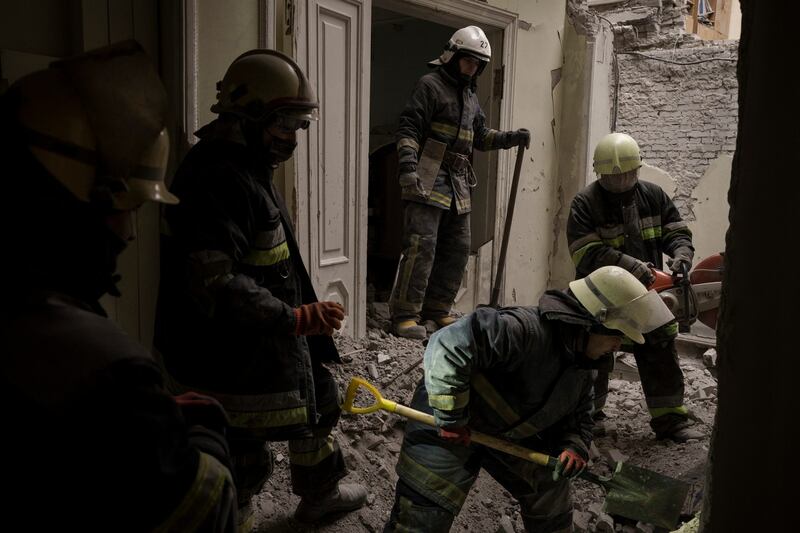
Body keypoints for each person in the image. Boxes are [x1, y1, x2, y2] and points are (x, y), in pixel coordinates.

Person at [0, 41, 238, 530]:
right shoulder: (98, 361)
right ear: (83, 197)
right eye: (124, 206)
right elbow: (203, 510)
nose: (129, 233)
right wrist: (198, 434)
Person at [154, 49, 367, 527]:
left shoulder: (248, 166)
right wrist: (291, 317)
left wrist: (304, 312)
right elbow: (215, 281)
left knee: (321, 397)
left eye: (298, 126)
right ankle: (238, 515)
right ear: (248, 115)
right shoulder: (218, 177)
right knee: (243, 450)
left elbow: (267, 260)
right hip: (227, 353)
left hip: (264, 332)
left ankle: (319, 493)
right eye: (283, 125)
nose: (291, 139)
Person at [384, 266, 675, 533]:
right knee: (423, 513)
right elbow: (447, 345)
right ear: (590, 323)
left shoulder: (582, 370)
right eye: (616, 336)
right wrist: (452, 418)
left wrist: (573, 447)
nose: (617, 346)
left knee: (551, 487)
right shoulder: (523, 329)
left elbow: (580, 420)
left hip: (507, 433)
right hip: (445, 423)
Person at [389, 25, 531, 339]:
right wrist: (409, 170)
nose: (473, 68)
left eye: (478, 64)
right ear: (453, 56)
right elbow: (409, 130)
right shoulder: (430, 85)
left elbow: (480, 137)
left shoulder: (470, 96)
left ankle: (438, 309)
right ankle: (405, 315)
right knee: (421, 247)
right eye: (469, 61)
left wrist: (511, 138)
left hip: (457, 180)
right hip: (428, 173)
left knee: (457, 248)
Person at [566, 132, 703, 442]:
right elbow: (585, 253)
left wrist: (682, 255)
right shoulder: (585, 203)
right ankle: (590, 418)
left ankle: (670, 422)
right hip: (601, 297)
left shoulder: (654, 196)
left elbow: (677, 232)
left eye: (627, 174)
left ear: (637, 170)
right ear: (601, 173)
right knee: (595, 356)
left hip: (647, 294)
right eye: (613, 177)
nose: (621, 180)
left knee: (660, 351)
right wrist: (631, 265)